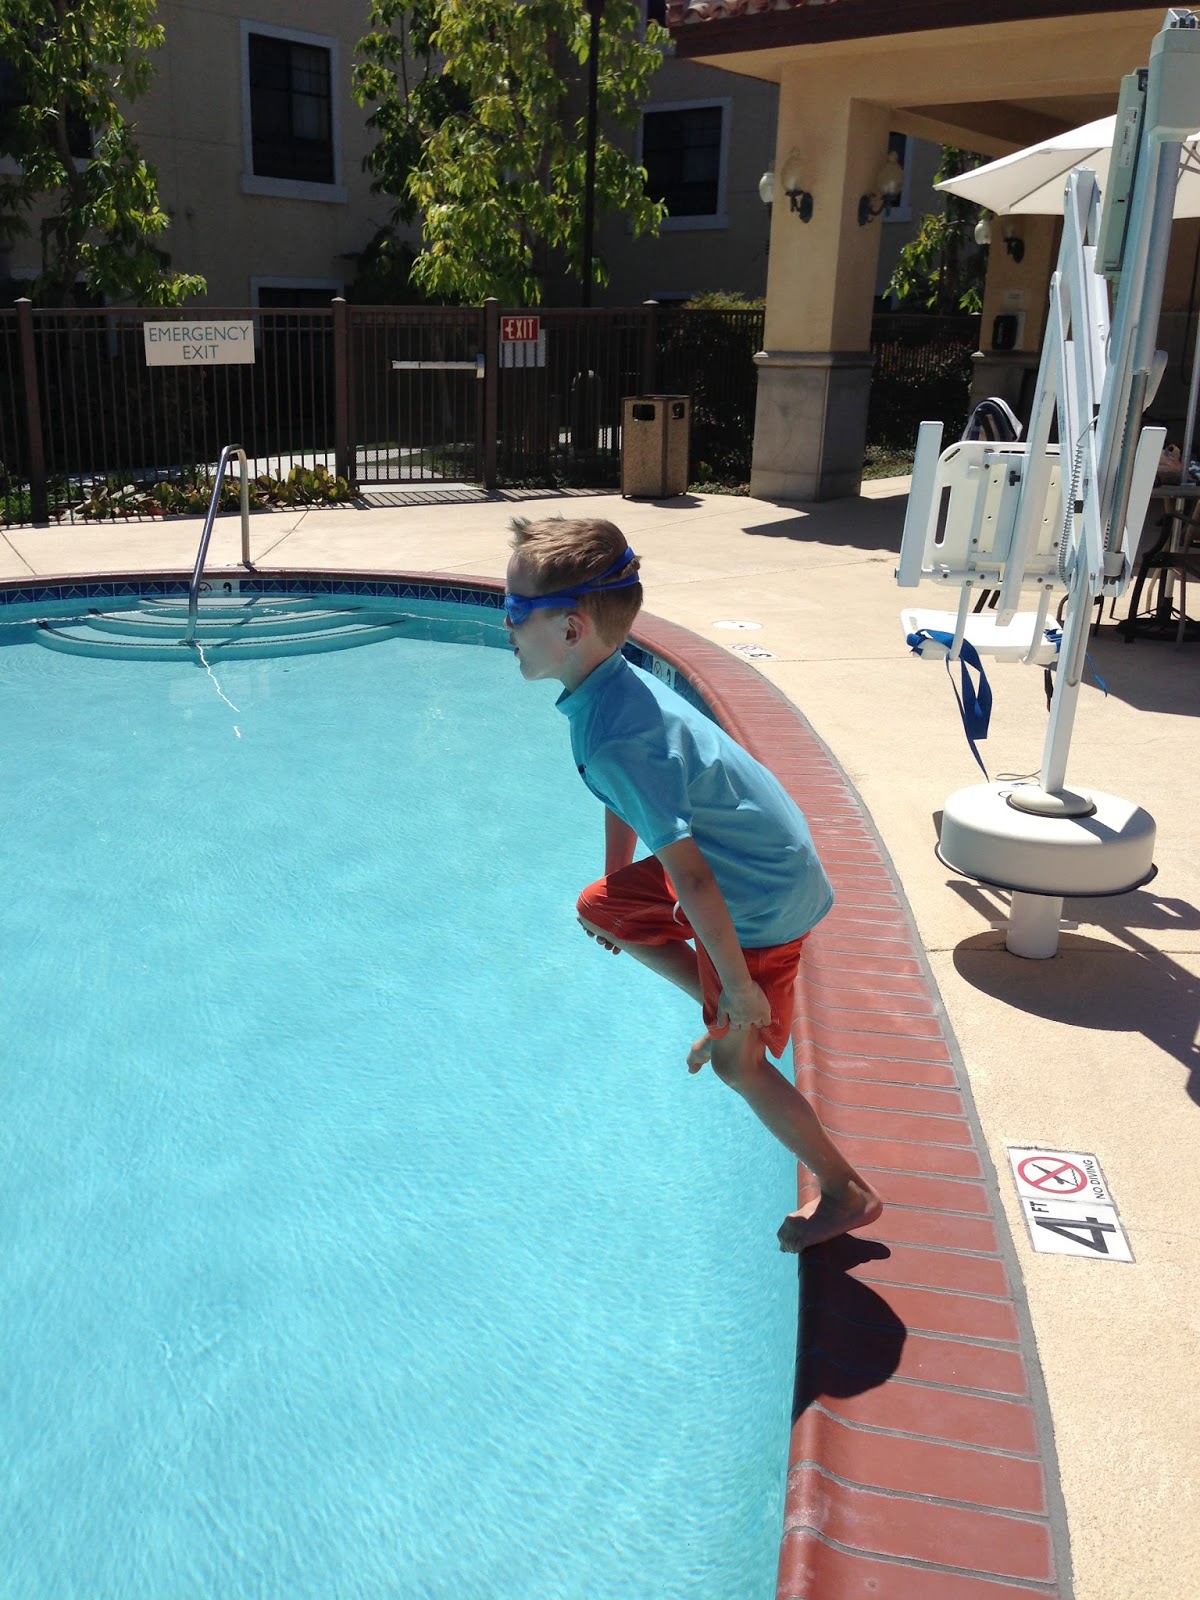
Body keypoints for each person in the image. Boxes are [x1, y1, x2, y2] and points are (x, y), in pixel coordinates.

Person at [504, 515, 882, 1252]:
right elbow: (627, 805)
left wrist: (738, 985)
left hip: (758, 896)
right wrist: (618, 895)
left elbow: (695, 880)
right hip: (757, 863)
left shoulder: (616, 736)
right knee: (598, 908)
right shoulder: (609, 687)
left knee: (740, 1067)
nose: (505, 624)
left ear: (572, 628)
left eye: (516, 609)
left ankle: (847, 1190)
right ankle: (730, 1007)